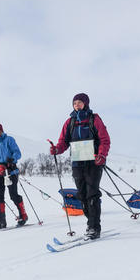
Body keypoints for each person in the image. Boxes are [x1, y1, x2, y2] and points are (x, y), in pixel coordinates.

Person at [50, 93, 110, 239]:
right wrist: (57, 149)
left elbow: (104, 140)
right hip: (77, 163)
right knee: (82, 195)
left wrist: (101, 155)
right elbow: (63, 142)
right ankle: (90, 222)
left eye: (79, 102)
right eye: (74, 103)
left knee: (92, 194)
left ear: (85, 104)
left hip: (94, 162)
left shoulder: (94, 119)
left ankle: (94, 227)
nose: (76, 105)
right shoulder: (69, 122)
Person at [0, 123, 29, 229]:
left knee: (13, 195)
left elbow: (17, 153)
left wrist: (12, 159)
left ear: (1, 131)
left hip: (10, 171)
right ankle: (1, 221)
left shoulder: (9, 140)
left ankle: (23, 216)